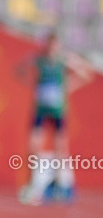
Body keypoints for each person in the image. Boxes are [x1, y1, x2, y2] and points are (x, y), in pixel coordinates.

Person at [17, 32, 92, 203]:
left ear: (58, 47)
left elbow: (86, 74)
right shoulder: (39, 60)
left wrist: (69, 86)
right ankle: (30, 185)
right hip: (40, 111)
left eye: (55, 46)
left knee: (60, 148)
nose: (51, 49)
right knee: (33, 147)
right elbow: (18, 70)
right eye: (49, 45)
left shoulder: (63, 61)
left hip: (58, 111)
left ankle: (58, 185)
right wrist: (32, 83)